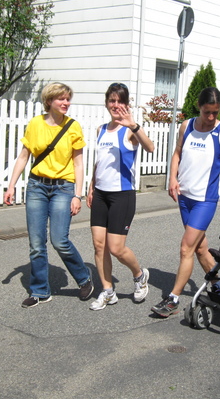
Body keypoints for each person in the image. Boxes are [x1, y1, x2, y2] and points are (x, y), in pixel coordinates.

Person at [151, 87, 220, 317]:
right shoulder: (187, 126)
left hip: (205, 200)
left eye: (215, 112)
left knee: (186, 248)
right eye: (207, 111)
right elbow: (177, 153)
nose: (211, 117)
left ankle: (173, 299)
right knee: (200, 248)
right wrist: (172, 178)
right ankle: (219, 286)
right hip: (184, 198)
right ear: (199, 107)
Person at [4, 82, 94, 308]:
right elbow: (24, 156)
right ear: (49, 101)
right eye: (61, 98)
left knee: (59, 240)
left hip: (63, 188)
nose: (66, 103)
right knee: (36, 243)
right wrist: (11, 185)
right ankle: (40, 291)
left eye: (68, 99)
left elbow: (78, 163)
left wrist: (78, 195)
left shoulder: (73, 126)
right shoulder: (35, 124)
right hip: (37, 187)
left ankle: (84, 277)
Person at [87, 83, 155, 310]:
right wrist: (91, 185)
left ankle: (139, 275)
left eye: (120, 101)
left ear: (126, 104)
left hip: (122, 196)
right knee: (99, 246)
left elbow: (150, 147)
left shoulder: (129, 131)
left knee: (116, 248)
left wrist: (134, 125)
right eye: (112, 100)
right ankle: (108, 291)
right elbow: (100, 162)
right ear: (107, 102)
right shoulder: (100, 130)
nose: (115, 105)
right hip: (101, 194)